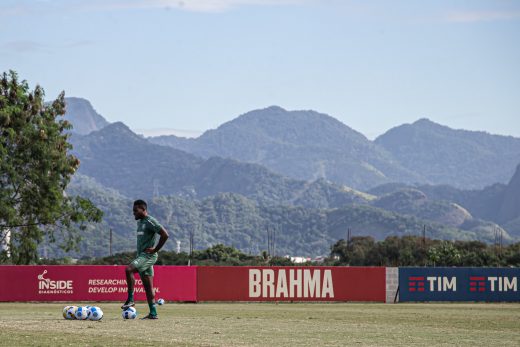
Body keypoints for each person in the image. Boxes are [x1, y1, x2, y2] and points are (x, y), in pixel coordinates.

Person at [121, 199, 169, 320]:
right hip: (141, 256)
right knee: (148, 287)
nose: (133, 213)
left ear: (143, 209)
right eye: (133, 211)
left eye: (135, 210)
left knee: (129, 270)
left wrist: (155, 249)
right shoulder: (140, 222)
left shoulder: (150, 221)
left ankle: (130, 300)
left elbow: (165, 234)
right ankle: (153, 313)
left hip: (148, 256)